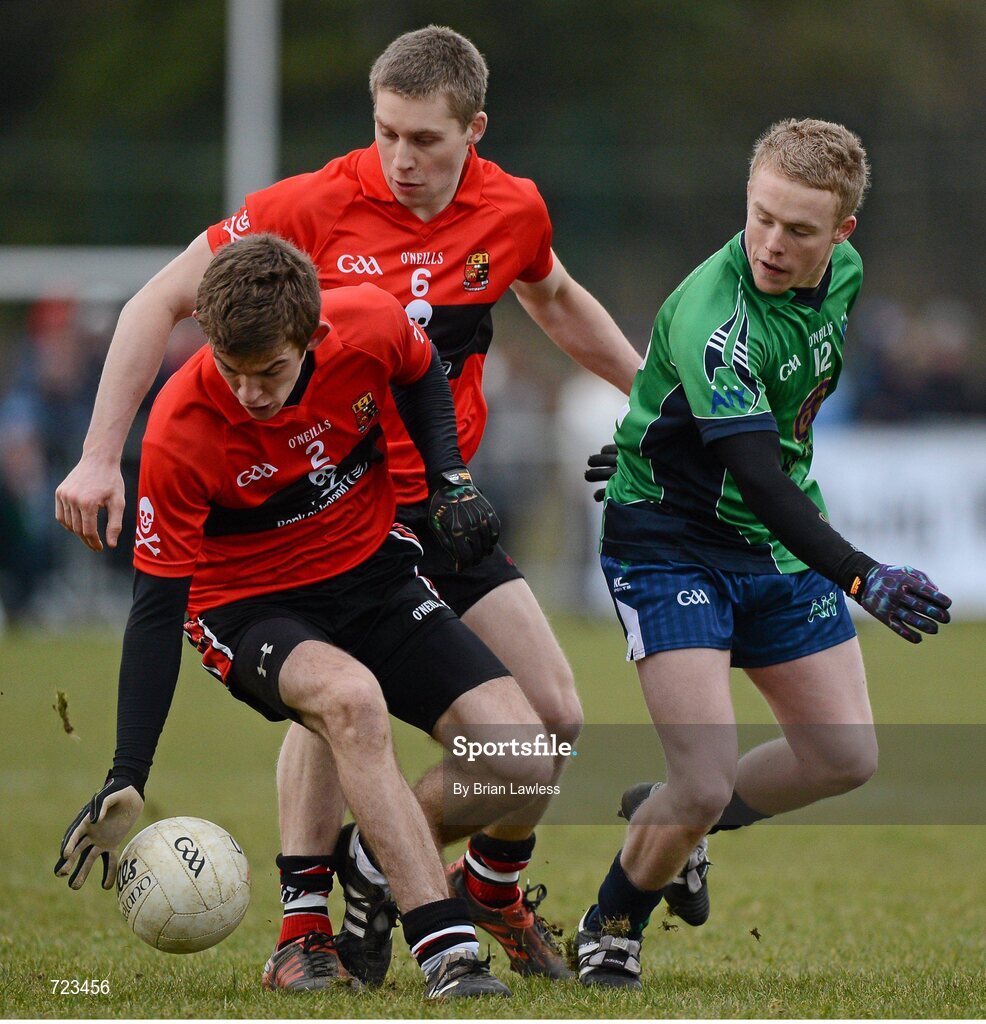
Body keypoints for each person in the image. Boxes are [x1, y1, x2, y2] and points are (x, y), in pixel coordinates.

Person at [53, 26, 641, 983]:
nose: (401, 159)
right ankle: (310, 925)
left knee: (553, 724)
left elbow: (556, 300)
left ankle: (433, 871)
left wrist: (650, 400)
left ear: (474, 132)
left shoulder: (512, 209)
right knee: (336, 702)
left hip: (435, 508)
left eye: (425, 140)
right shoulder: (307, 208)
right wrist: (96, 457)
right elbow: (154, 303)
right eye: (385, 133)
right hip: (328, 509)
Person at [52, 233, 568, 1000]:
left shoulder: (368, 323)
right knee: (349, 699)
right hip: (248, 605)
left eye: (270, 372)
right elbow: (155, 612)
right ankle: (447, 953)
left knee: (526, 757)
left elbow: (422, 372)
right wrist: (129, 771)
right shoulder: (180, 427)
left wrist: (450, 479)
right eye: (231, 369)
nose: (250, 392)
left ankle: (367, 860)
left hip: (372, 574)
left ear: (314, 335)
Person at [575, 118, 952, 989]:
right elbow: (756, 472)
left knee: (844, 757)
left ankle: (674, 821)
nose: (773, 244)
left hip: (771, 542)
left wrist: (657, 430)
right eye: (762, 218)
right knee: (704, 779)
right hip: (670, 546)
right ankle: (613, 923)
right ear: (747, 196)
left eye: (800, 229)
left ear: (842, 233)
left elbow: (774, 428)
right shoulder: (720, 316)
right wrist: (862, 573)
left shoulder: (846, 276)